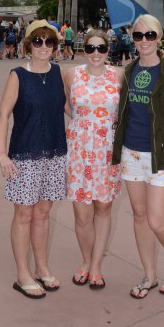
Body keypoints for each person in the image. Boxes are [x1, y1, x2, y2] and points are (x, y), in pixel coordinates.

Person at [112, 14, 164, 299]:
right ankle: (148, 274)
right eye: (138, 35)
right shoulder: (130, 69)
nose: (143, 41)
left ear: (159, 38)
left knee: (157, 221)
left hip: (161, 157)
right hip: (131, 154)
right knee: (139, 216)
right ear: (132, 39)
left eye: (149, 35)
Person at [0, 20, 67, 299]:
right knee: (24, 214)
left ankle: (41, 267)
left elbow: (69, 108)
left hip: (54, 153)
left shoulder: (59, 73)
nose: (43, 47)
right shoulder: (17, 75)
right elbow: (3, 115)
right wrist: (2, 154)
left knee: (43, 213)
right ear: (28, 45)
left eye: (49, 42)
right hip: (25, 154)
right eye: (37, 41)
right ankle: (22, 274)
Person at [64, 29, 124, 289]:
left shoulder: (119, 75)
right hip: (78, 152)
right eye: (90, 48)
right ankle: (86, 260)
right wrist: (81, 123)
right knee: (81, 214)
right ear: (83, 49)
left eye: (101, 48)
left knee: (103, 209)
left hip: (107, 152)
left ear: (108, 51)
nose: (96, 53)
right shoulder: (71, 74)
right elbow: (66, 105)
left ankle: (96, 266)